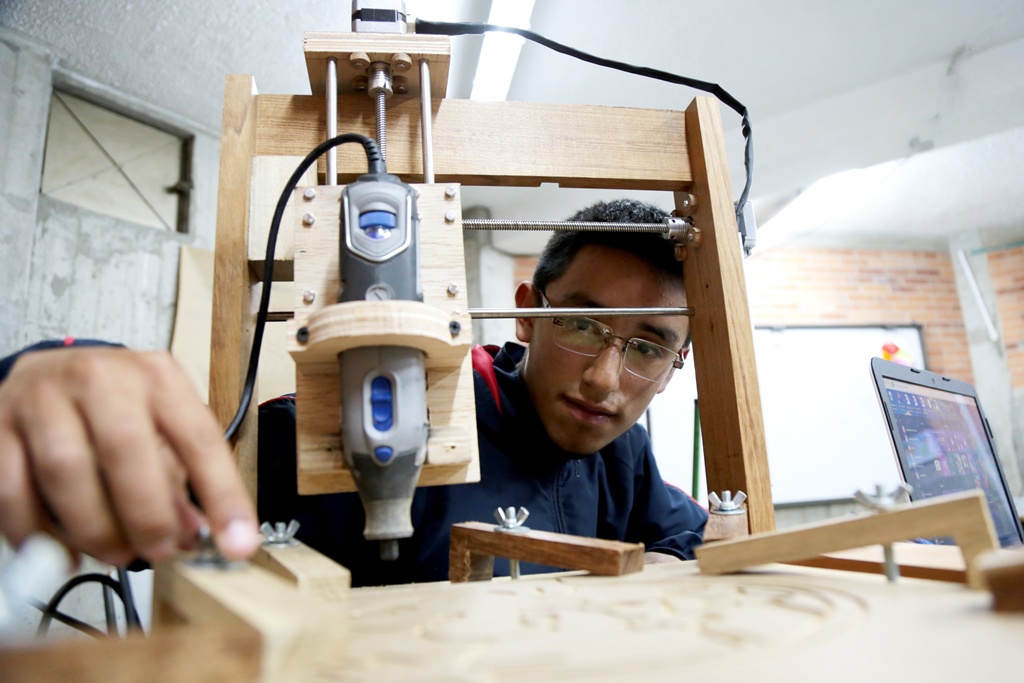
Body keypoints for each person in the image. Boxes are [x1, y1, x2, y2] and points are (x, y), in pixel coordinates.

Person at [0, 199, 706, 584]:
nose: (604, 379)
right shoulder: (366, 425)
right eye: (580, 323)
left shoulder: (623, 455)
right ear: (526, 312)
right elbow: (142, 485)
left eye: (648, 346)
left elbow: (695, 537)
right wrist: (47, 388)